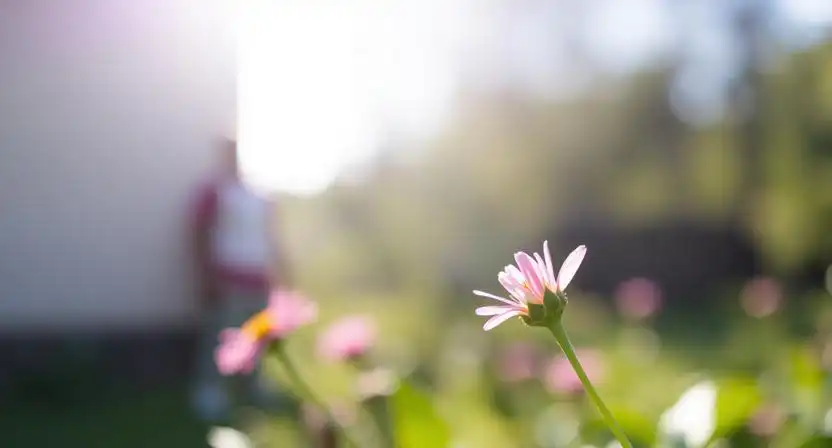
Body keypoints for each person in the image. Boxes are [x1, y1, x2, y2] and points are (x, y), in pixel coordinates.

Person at [189, 128, 291, 422]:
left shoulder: (257, 193)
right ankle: (210, 392)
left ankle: (254, 389)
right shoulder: (213, 191)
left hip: (258, 277)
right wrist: (205, 277)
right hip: (227, 277)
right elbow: (199, 233)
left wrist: (282, 271)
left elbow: (271, 235)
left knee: (260, 340)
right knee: (220, 338)